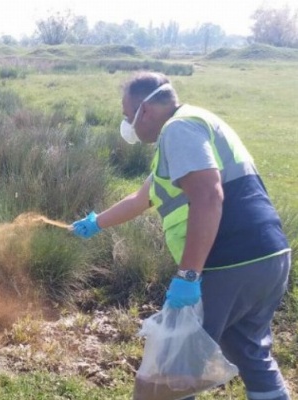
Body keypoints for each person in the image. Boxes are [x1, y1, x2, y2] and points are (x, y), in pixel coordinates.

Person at [70, 71, 292, 400]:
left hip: (226, 263)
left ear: (144, 111)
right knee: (251, 353)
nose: (126, 125)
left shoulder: (178, 130)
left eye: (126, 116)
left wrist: (189, 275)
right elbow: (140, 198)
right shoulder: (193, 126)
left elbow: (208, 196)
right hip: (269, 259)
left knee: (166, 377)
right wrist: (95, 223)